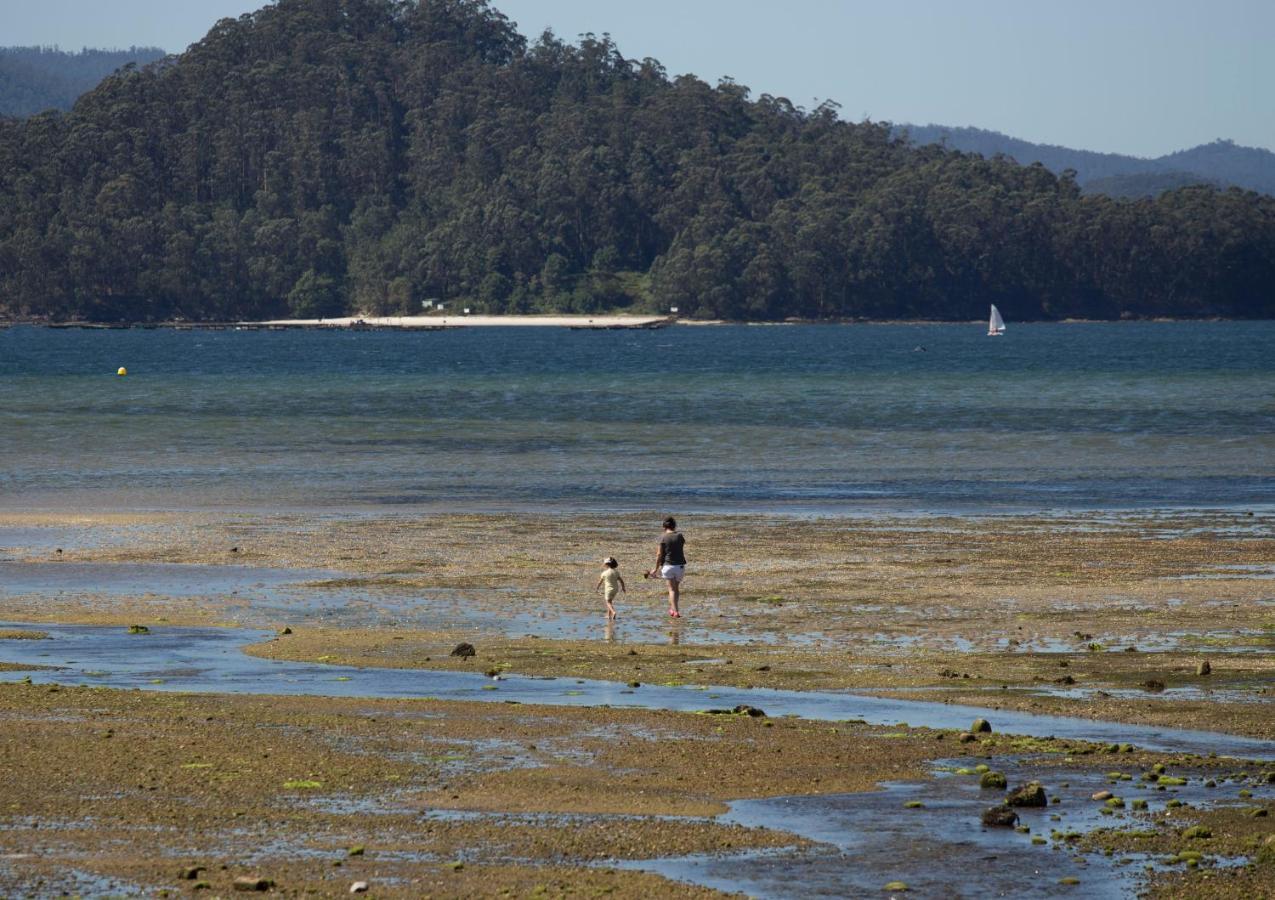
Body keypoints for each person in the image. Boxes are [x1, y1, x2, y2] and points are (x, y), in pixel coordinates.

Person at [646, 516, 686, 618]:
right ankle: (673, 609)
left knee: (671, 590)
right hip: (680, 566)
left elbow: (659, 555)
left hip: (668, 566)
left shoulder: (663, 538)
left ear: (664, 527)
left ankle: (676, 611)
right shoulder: (680, 536)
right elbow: (680, 545)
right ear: (674, 526)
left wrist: (655, 569)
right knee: (676, 589)